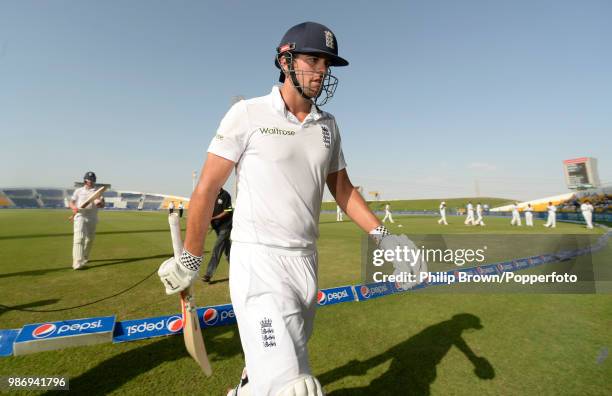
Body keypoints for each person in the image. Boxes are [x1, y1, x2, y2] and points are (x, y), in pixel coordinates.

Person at [157, 21, 427, 396]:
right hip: (259, 263)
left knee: (271, 374)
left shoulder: (328, 126)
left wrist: (386, 237)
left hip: (305, 264)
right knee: (293, 387)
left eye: (327, 63)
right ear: (285, 59)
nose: (322, 71)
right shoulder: (248, 114)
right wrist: (190, 259)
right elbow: (207, 188)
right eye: (314, 59)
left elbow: (343, 190)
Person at [69, 171, 104, 270]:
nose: (90, 182)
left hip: (92, 217)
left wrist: (100, 203)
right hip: (80, 215)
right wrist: (73, 208)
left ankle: (84, 256)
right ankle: (77, 262)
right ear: (85, 180)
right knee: (79, 238)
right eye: (89, 180)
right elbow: (71, 203)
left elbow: (102, 204)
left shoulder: (97, 192)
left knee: (89, 240)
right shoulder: (78, 191)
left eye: (92, 180)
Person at [202, 188, 233, 283]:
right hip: (217, 228)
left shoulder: (225, 195)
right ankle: (239, 271)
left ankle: (208, 274)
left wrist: (213, 218)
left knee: (217, 249)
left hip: (225, 227)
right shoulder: (211, 195)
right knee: (228, 253)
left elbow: (228, 211)